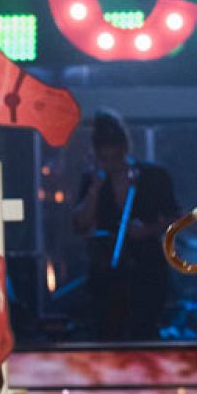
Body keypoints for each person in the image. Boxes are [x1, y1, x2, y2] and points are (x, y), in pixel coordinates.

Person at [70, 109, 178, 341]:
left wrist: (147, 230)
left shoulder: (152, 176)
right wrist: (95, 188)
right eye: (104, 158)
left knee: (144, 332)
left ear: (124, 148)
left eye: (114, 158)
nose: (110, 164)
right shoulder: (92, 180)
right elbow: (80, 224)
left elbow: (177, 217)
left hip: (146, 270)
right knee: (107, 332)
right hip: (106, 272)